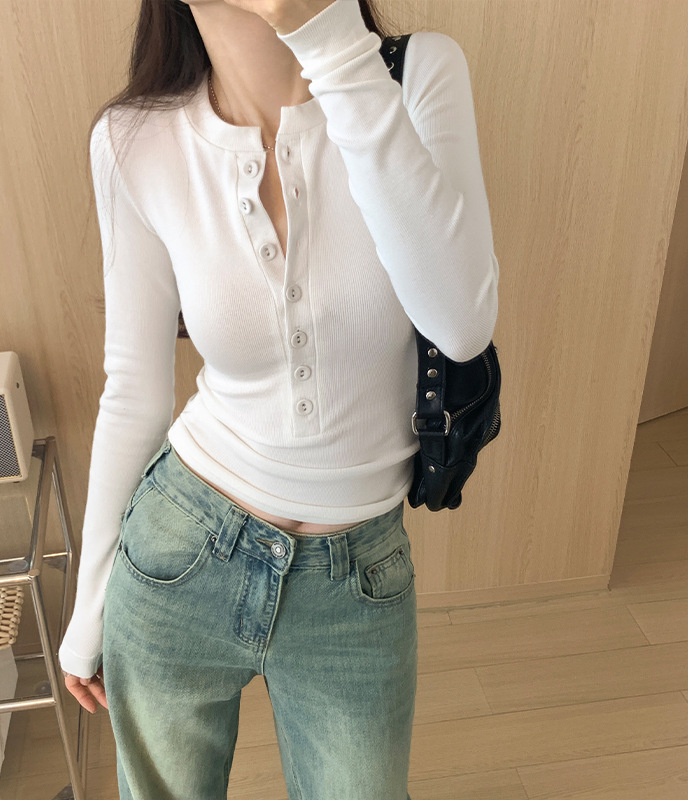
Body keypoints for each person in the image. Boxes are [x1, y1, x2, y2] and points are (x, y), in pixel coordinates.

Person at [59, 0, 499, 797]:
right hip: (179, 551)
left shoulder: (417, 76)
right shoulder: (132, 138)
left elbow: (461, 323)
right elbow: (134, 392)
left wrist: (331, 42)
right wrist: (89, 603)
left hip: (355, 575)